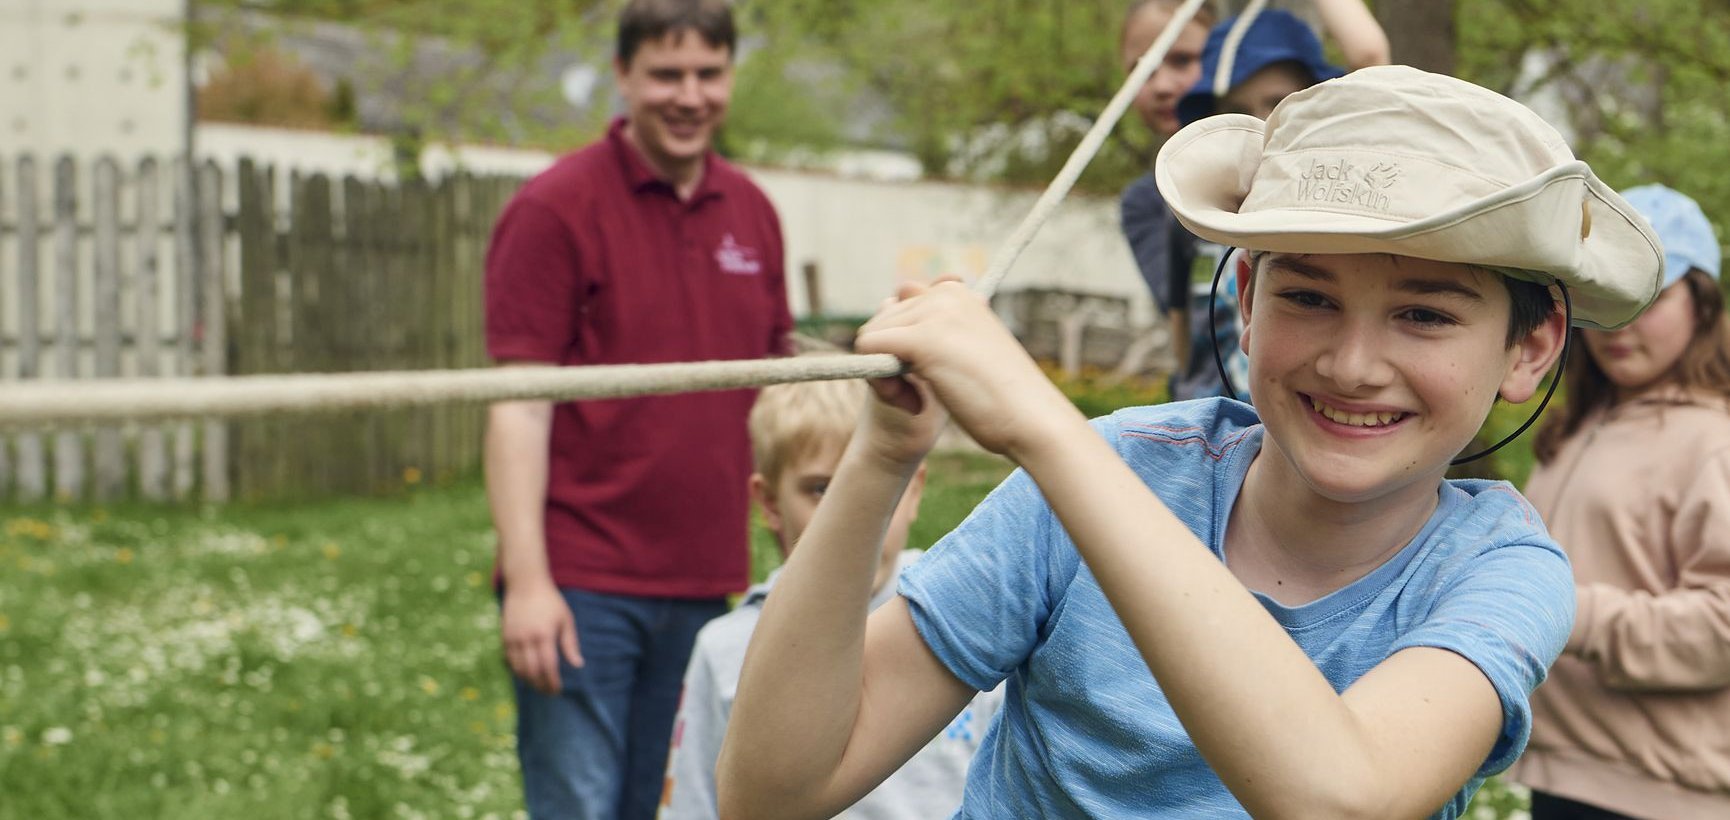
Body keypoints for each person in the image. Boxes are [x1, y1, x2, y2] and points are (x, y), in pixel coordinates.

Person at [716, 66, 1665, 819]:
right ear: (1246, 303)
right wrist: (883, 457)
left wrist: (1045, 430)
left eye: (1423, 314)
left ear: (1529, 350)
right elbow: (772, 792)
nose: (1352, 362)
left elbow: (1343, 796)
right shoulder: (1115, 469)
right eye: (1308, 296)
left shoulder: (1499, 570)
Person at [481, 0, 792, 816]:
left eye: (708, 73)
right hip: (583, 582)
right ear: (623, 76)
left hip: (705, 582)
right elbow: (518, 406)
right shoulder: (555, 208)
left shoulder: (754, 214)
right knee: (580, 807)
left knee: (670, 805)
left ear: (730, 76)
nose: (689, 95)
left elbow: (778, 391)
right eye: (666, 74)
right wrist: (528, 581)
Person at [659, 371, 1002, 819]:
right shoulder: (724, 647)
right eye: (822, 489)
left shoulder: (967, 612)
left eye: (887, 483)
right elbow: (693, 806)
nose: (853, 512)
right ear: (770, 503)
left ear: (915, 489)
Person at [1509, 185, 1730, 820]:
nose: (1622, 324)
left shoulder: (1714, 441)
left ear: (1704, 306)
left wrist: (1557, 609)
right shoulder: (1579, 427)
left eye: (1651, 298)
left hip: (1661, 796)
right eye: (1606, 300)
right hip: (1565, 772)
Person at [1125, 1, 1388, 402]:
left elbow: (1369, 56)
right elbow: (1180, 322)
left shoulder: (1331, 205)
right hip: (1209, 417)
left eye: (1280, 105)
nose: (1263, 124)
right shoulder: (1196, 209)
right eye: (1237, 111)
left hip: (1286, 417)